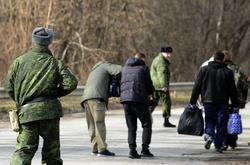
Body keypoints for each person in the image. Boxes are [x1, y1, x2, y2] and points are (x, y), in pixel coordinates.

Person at [4, 27, 78, 165]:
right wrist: (55, 94)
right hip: (50, 113)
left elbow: (8, 86)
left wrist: (22, 101)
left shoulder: (19, 61)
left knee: (24, 151)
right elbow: (71, 83)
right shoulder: (55, 62)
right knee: (52, 154)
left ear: (33, 41)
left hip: (27, 113)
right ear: (49, 43)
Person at [189, 50, 238, 153]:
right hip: (223, 103)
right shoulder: (228, 72)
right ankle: (218, 146)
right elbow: (232, 89)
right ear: (222, 59)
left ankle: (209, 135)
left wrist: (192, 101)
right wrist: (235, 104)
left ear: (213, 57)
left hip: (208, 101)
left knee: (210, 121)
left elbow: (197, 86)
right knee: (221, 124)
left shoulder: (204, 70)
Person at [81, 61, 122, 156]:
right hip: (96, 99)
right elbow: (121, 70)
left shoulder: (95, 70)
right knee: (99, 123)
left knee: (91, 125)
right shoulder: (105, 66)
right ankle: (102, 149)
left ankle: (94, 148)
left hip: (86, 98)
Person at [120, 52, 155, 159]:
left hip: (125, 100)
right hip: (139, 100)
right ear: (143, 59)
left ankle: (132, 150)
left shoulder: (124, 68)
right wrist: (151, 95)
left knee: (131, 127)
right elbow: (149, 87)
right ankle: (145, 149)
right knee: (147, 124)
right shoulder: (143, 69)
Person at [222, 50, 248, 150]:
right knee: (234, 120)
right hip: (235, 101)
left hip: (222, 100)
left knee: (223, 120)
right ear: (231, 58)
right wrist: (243, 99)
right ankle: (232, 141)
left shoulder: (220, 69)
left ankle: (224, 141)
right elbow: (245, 86)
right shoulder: (238, 70)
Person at [149, 45, 175, 127]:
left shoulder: (157, 59)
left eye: (170, 53)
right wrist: (164, 85)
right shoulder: (161, 62)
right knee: (166, 102)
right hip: (160, 86)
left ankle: (145, 115)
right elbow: (162, 74)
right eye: (167, 53)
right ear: (162, 52)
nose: (169, 55)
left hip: (155, 85)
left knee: (153, 102)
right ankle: (166, 120)